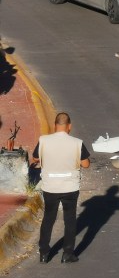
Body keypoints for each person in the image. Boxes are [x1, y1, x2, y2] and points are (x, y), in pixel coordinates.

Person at [32, 112, 90, 264]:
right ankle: (67, 254)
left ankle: (44, 253)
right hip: (70, 187)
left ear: (54, 125)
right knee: (70, 220)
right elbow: (85, 164)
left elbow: (35, 158)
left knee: (48, 218)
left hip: (50, 187)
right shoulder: (77, 142)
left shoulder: (43, 140)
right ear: (69, 126)